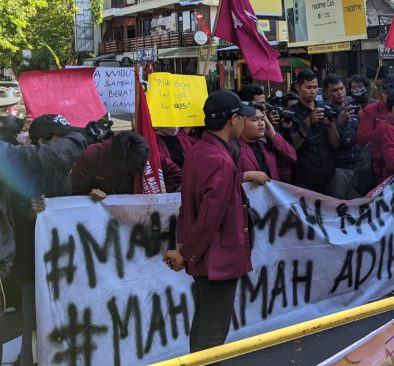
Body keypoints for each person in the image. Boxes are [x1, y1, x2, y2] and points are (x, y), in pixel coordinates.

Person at [164, 90, 266, 356]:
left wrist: (186, 251)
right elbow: (210, 218)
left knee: (204, 324)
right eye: (243, 118)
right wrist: (185, 252)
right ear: (233, 120)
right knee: (213, 332)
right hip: (217, 258)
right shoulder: (220, 160)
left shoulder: (201, 151)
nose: (244, 123)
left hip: (205, 257)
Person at [3, 114, 111, 366]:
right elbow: (10, 214)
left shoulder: (63, 169)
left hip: (64, 265)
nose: (67, 147)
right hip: (32, 269)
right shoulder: (17, 165)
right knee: (35, 325)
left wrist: (89, 198)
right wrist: (27, 211)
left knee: (65, 323)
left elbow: (65, 204)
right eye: (61, 140)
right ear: (43, 142)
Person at [286, 69, 340, 193]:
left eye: (315, 87)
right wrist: (308, 122)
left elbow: (336, 144)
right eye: (308, 87)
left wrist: (330, 125)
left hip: (329, 177)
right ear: (298, 88)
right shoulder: (290, 112)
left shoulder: (325, 108)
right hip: (303, 179)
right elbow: (291, 147)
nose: (313, 91)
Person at [70, 131, 149, 198]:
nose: (126, 172)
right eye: (125, 169)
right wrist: (90, 195)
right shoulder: (91, 156)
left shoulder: (146, 155)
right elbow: (76, 192)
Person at [324, 74, 361, 198]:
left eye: (341, 88)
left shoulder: (355, 106)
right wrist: (339, 122)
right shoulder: (325, 111)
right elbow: (334, 144)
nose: (339, 93)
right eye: (334, 90)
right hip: (338, 168)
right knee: (338, 206)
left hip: (357, 166)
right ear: (327, 93)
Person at [236, 104, 296, 182]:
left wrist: (273, 135)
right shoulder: (233, 147)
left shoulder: (265, 145)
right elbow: (225, 181)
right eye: (255, 119)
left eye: (262, 119)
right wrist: (246, 176)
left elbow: (291, 158)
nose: (261, 123)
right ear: (241, 122)